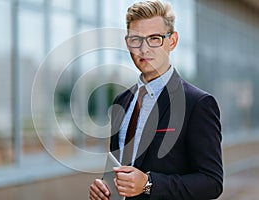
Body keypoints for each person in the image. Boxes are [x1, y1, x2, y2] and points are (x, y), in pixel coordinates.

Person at [89, 0, 223, 199]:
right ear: (128, 43)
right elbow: (119, 170)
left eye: (154, 38)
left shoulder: (198, 104)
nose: (144, 49)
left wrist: (149, 184)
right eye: (136, 39)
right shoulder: (121, 102)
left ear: (172, 41)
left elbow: (212, 183)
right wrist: (105, 189)